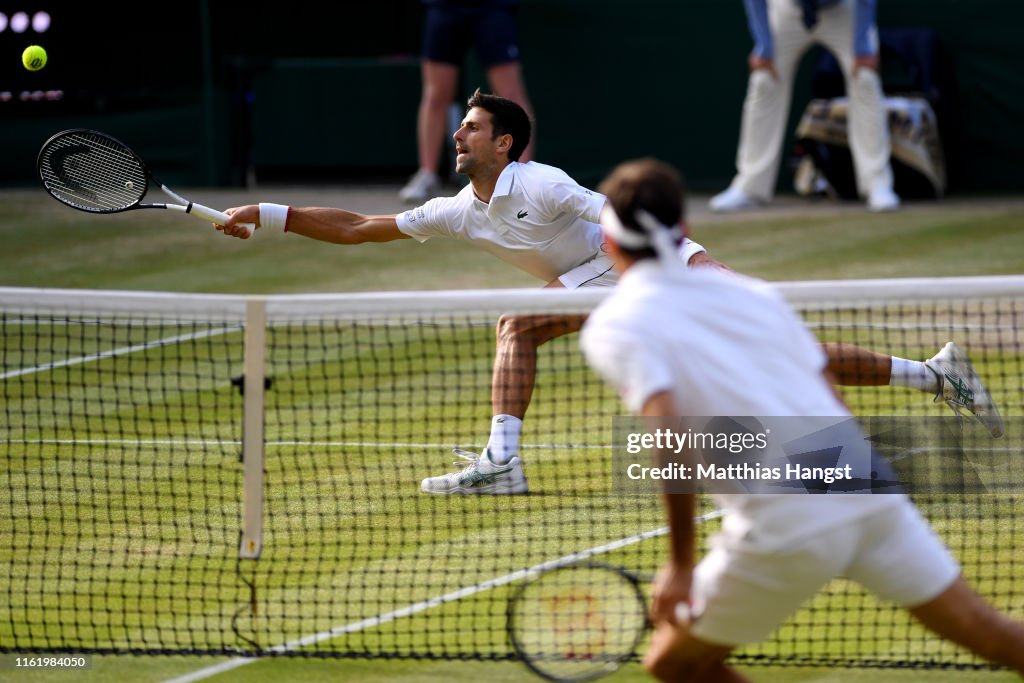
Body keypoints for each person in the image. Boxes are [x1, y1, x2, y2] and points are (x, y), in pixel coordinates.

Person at [216, 91, 1000, 497]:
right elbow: (357, 226)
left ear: (505, 143)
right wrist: (272, 214)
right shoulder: (456, 207)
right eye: (460, 127)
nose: (457, 138)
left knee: (775, 350)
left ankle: (931, 376)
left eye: (471, 128)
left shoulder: (542, 181)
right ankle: (503, 461)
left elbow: (621, 216)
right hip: (601, 285)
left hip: (655, 264)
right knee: (516, 325)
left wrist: (663, 282)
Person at [580, 158, 1024, 682]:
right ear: (687, 231)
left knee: (674, 664)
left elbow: (670, 434)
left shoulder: (616, 324)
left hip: (785, 520)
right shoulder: (752, 294)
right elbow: (825, 392)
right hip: (863, 482)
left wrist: (680, 564)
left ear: (609, 245)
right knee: (986, 629)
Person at [710, 0, 901, 213]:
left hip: (843, 10)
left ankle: (877, 184)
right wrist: (764, 47)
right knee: (764, 80)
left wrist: (862, 47)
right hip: (788, 9)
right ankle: (750, 187)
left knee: (865, 79)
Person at [398, 0, 535, 204]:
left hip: (493, 9)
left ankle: (523, 176)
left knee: (511, 95)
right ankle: (427, 173)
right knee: (435, 95)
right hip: (444, 8)